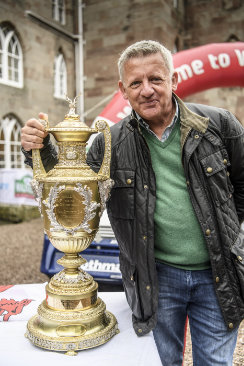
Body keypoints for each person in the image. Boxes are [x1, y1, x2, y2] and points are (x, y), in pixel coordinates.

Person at [21, 40, 244, 365]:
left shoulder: (220, 125)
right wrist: (37, 149)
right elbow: (69, 181)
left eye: (156, 79)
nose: (147, 90)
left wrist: (229, 235)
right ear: (122, 90)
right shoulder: (110, 142)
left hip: (218, 276)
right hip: (156, 279)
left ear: (174, 80)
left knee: (215, 363)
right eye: (136, 83)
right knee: (160, 361)